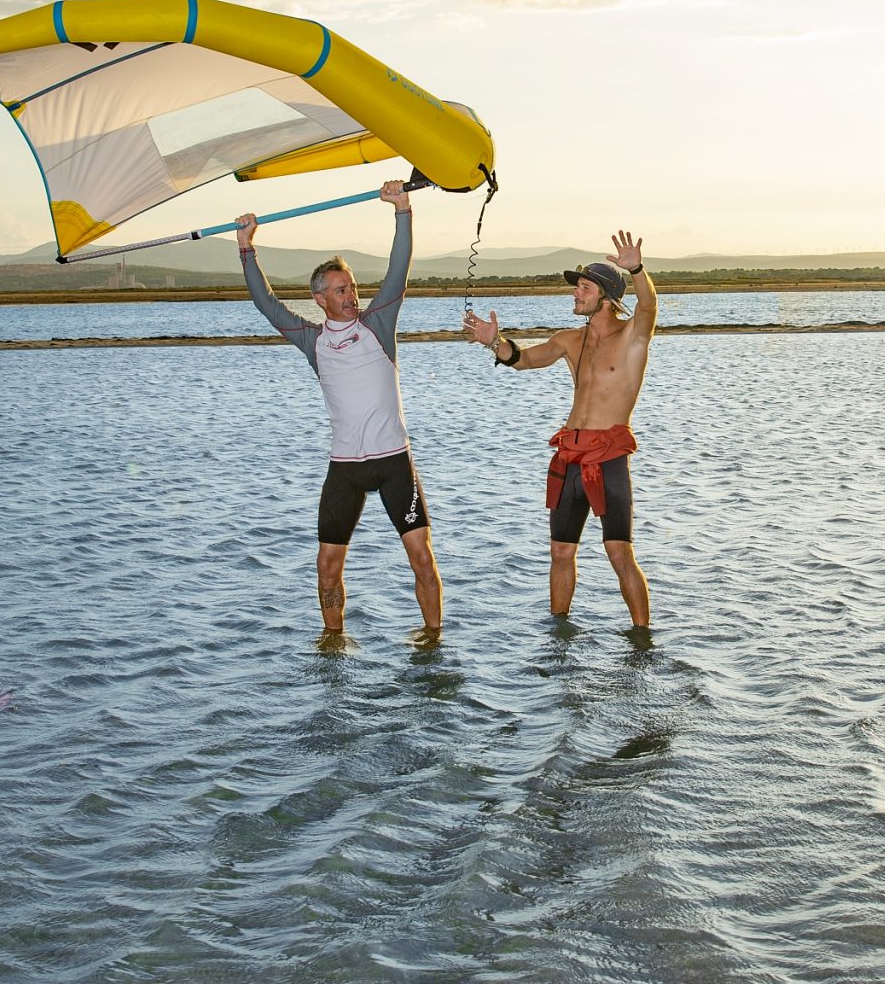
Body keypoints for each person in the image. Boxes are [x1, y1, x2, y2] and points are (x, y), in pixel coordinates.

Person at [237, 181, 442, 644]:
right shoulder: (313, 342)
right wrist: (247, 249)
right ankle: (334, 642)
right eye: (339, 290)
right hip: (345, 468)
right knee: (327, 565)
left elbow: (399, 270)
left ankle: (433, 641)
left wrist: (403, 210)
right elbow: (266, 305)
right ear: (320, 299)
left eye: (351, 287)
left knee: (422, 557)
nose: (351, 295)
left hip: (394, 463)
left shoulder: (379, 323)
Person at [462, 231, 655, 629]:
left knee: (619, 552)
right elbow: (525, 360)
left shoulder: (632, 336)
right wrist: (494, 342)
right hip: (569, 458)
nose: (575, 294)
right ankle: (559, 633)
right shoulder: (569, 340)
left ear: (605, 296)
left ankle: (643, 638)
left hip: (609, 458)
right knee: (560, 552)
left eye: (583, 288)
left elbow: (649, 305)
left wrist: (636, 268)